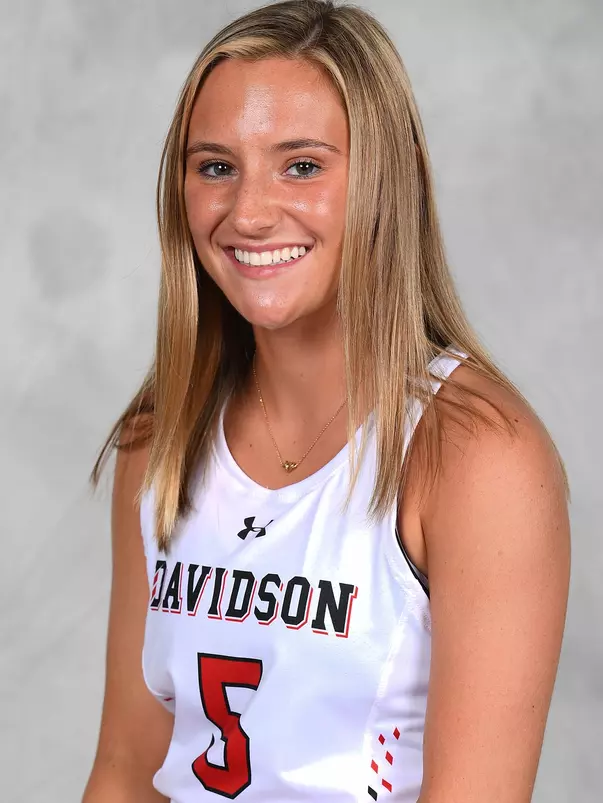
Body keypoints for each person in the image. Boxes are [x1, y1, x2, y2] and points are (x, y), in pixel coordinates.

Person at [82, 1, 571, 801]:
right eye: (215, 166)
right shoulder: (159, 439)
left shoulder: (477, 455)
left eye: (301, 165)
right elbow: (125, 769)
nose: (248, 212)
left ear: (392, 174)